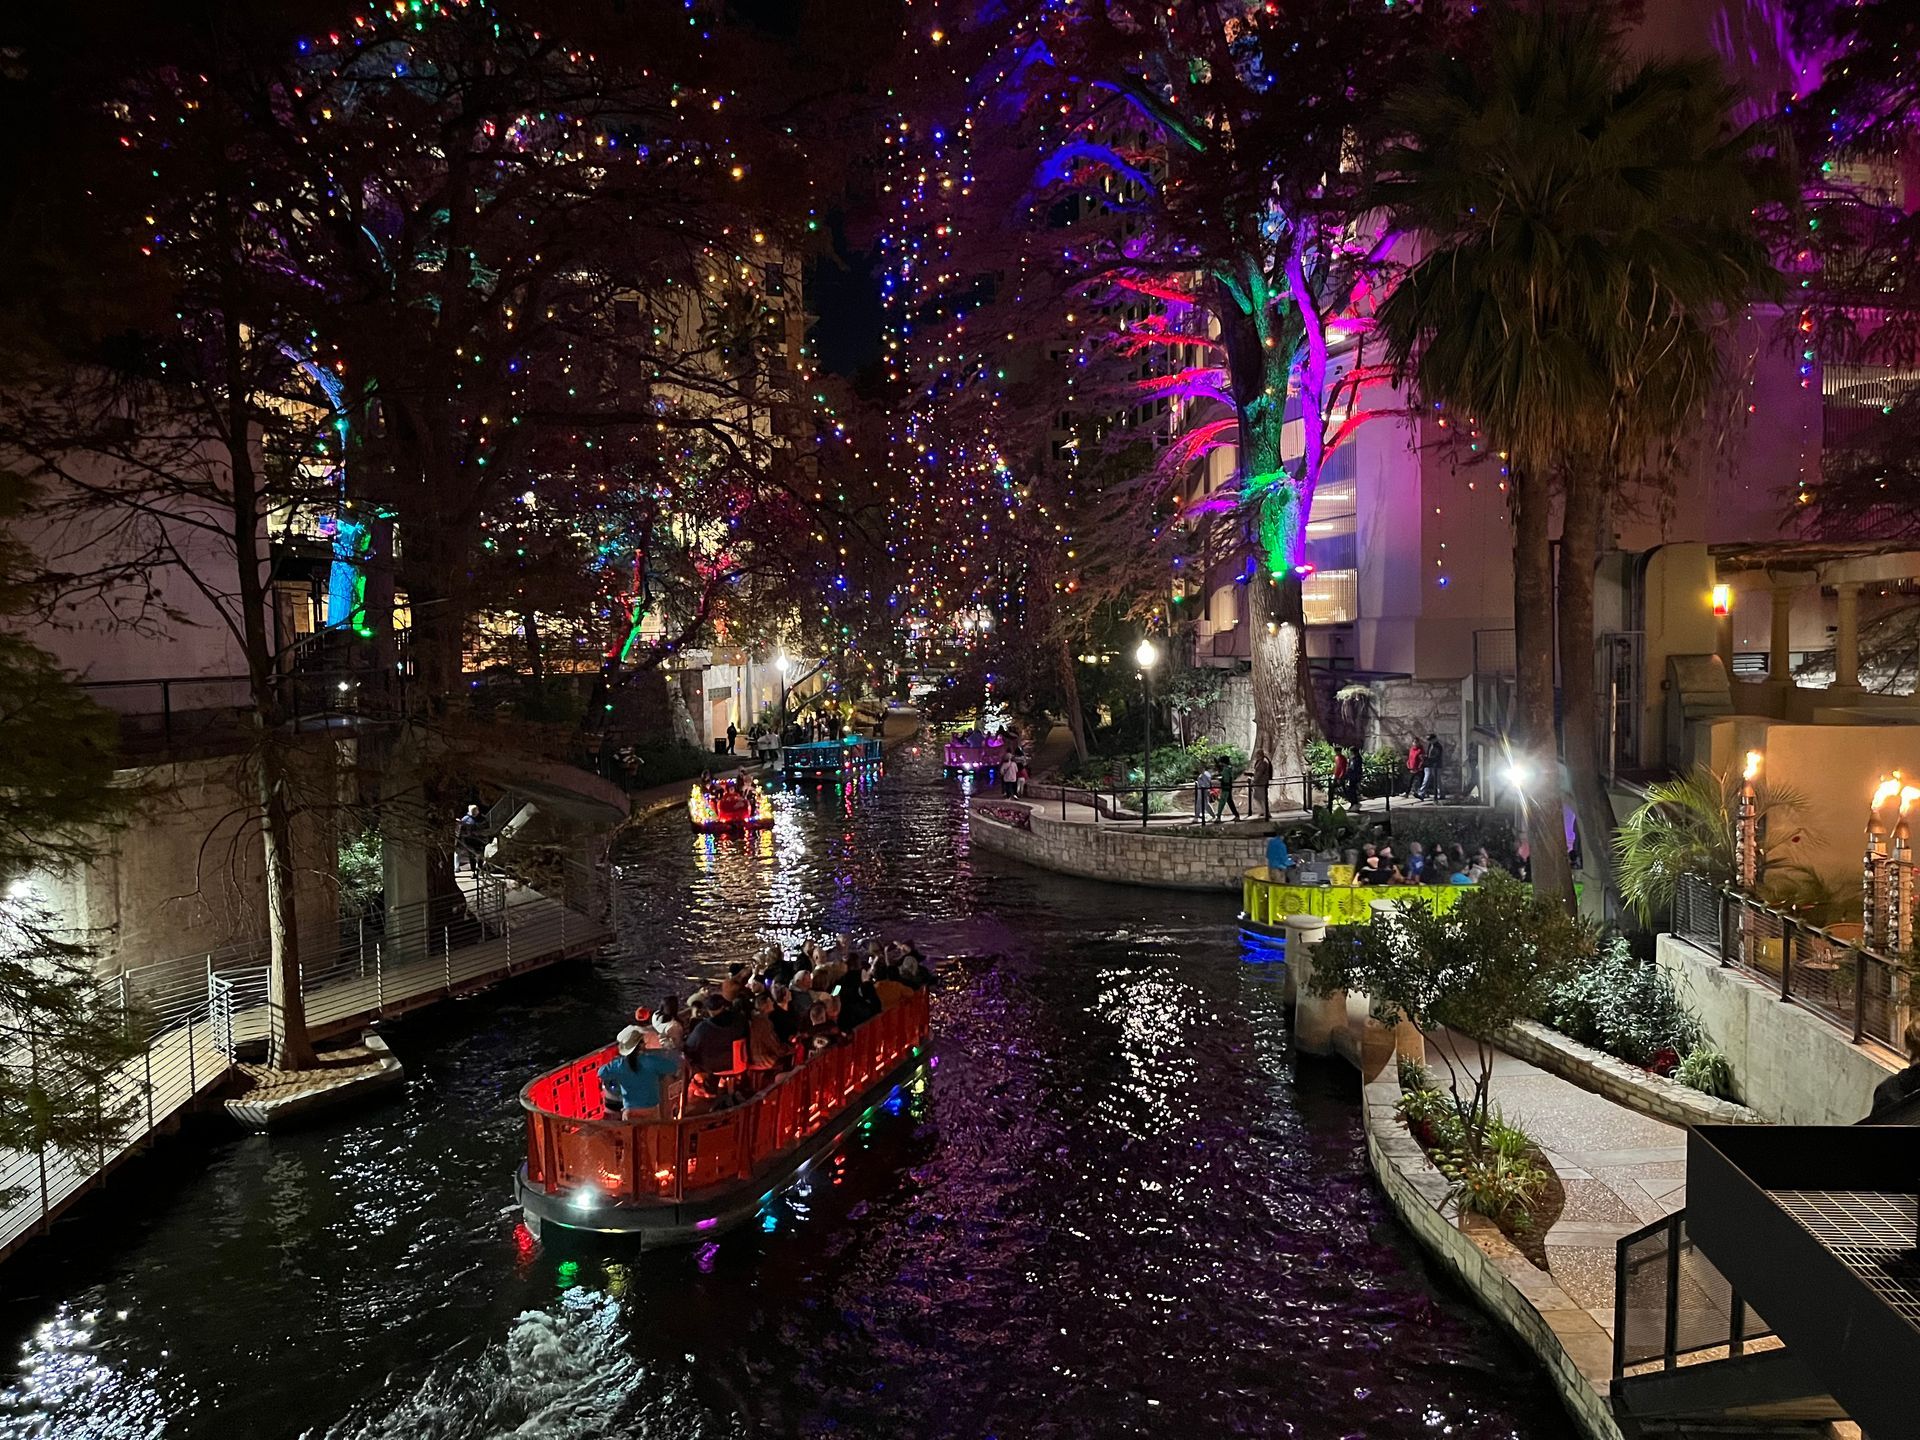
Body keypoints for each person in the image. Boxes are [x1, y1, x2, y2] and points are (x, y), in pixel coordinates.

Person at [598, 1025, 680, 1119]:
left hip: (630, 1111)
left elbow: (601, 1072)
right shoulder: (651, 1061)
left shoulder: (619, 1064)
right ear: (641, 1045)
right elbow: (673, 1067)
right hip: (650, 1110)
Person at [685, 994, 747, 1076]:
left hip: (713, 1067)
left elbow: (690, 1047)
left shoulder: (703, 1028)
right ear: (723, 1006)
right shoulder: (740, 1019)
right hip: (738, 1061)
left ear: (708, 1010)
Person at [456, 803, 486, 874]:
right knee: (471, 856)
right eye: (473, 811)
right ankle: (473, 871)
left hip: (480, 840)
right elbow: (461, 829)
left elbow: (486, 827)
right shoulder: (466, 819)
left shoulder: (482, 818)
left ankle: (479, 870)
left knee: (480, 855)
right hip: (470, 840)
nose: (474, 813)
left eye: (475, 811)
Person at [1214, 753, 1242, 822]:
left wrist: (1221, 780)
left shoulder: (1226, 770)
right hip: (1228, 787)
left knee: (1222, 802)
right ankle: (1236, 815)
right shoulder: (1229, 769)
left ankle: (1218, 817)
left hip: (1226, 788)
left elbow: (1226, 779)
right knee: (1230, 802)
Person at [1418, 733, 1444, 802]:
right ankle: (1421, 794)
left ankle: (1440, 794)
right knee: (1426, 779)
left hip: (1436, 766)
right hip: (1429, 765)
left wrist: (1427, 758)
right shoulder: (1430, 745)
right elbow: (1429, 754)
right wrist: (1425, 757)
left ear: (1434, 739)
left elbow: (1436, 757)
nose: (1429, 741)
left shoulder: (1438, 746)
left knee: (1437, 780)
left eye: (1430, 740)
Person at [1251, 749, 1273, 820]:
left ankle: (1266, 813)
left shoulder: (1263, 762)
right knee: (1256, 797)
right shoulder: (1260, 761)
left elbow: (1259, 773)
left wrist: (1254, 780)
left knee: (1262, 798)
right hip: (1259, 782)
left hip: (1261, 782)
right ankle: (1263, 811)